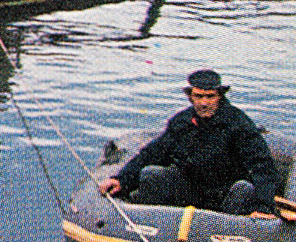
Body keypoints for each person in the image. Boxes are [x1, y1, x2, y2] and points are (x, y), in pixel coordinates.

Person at [99, 69, 279, 219]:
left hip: (224, 192)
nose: (204, 103)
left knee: (244, 189)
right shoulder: (182, 121)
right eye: (198, 97)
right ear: (190, 97)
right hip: (190, 188)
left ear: (220, 97)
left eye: (210, 97)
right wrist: (122, 179)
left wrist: (263, 206)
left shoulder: (238, 123)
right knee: (150, 174)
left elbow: (261, 165)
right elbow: (154, 152)